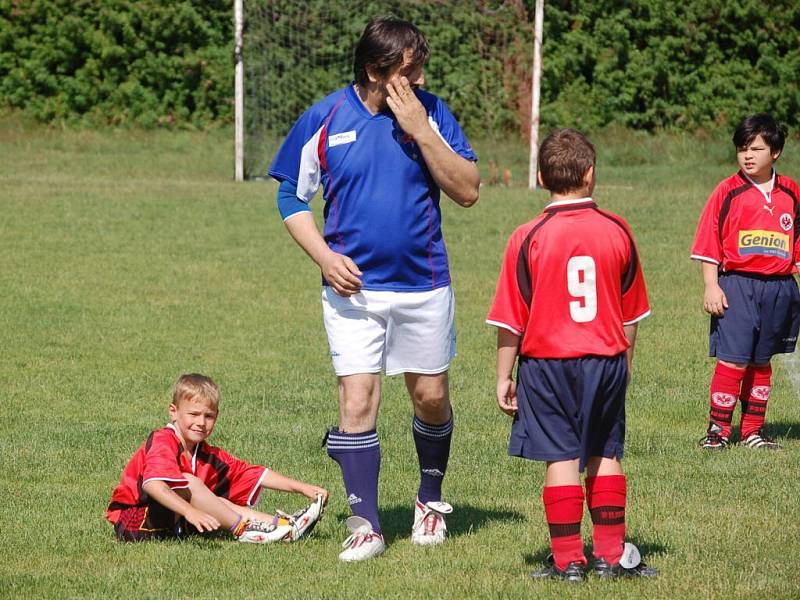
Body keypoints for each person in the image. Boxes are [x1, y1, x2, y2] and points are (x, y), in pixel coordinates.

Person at [268, 17, 480, 561]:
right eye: (409, 71)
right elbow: (292, 199)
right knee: (356, 398)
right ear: (375, 70)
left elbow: (468, 191)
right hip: (352, 294)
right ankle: (365, 522)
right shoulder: (325, 117)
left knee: (430, 396)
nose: (419, 78)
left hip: (424, 285)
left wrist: (421, 129)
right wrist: (325, 257)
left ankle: (429, 503)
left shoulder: (432, 112)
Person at [487, 129, 656, 581]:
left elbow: (510, 321)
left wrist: (504, 377)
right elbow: (630, 313)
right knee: (604, 451)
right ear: (590, 173)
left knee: (561, 457)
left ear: (541, 176)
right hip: (605, 361)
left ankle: (568, 562)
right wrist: (625, 365)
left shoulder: (527, 236)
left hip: (545, 366)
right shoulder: (617, 230)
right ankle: (610, 556)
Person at [106, 373, 328, 543]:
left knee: (218, 501)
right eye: (193, 414)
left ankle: (283, 527)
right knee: (189, 483)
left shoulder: (206, 452)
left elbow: (250, 473)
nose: (201, 423)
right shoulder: (163, 440)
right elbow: (154, 485)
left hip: (171, 522)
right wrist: (190, 511)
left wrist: (302, 488)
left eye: (208, 416)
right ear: (173, 412)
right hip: (135, 521)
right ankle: (244, 531)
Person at [691, 113, 800, 450]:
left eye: (756, 148)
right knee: (733, 358)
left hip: (780, 288)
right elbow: (709, 241)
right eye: (742, 149)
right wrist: (712, 284)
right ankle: (718, 431)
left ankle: (753, 431)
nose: (748, 155)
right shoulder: (727, 191)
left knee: (761, 359)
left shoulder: (791, 193)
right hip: (737, 285)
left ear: (775, 152)